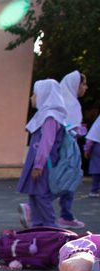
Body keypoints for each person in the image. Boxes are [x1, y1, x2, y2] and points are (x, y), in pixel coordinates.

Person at [17, 79, 66, 229]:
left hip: (44, 164)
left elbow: (47, 142)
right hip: (38, 163)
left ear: (45, 95)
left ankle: (51, 228)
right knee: (34, 194)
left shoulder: (50, 117)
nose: (31, 97)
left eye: (34, 94)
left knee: (42, 195)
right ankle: (37, 227)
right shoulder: (43, 115)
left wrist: (38, 165)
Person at [56, 70, 88, 228]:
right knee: (69, 180)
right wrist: (80, 131)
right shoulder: (72, 104)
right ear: (75, 85)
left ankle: (65, 214)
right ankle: (65, 215)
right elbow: (69, 129)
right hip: (69, 150)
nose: (86, 87)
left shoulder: (61, 101)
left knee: (59, 179)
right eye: (83, 84)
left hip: (61, 148)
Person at [86, 114, 100, 198]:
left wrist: (87, 149)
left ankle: (94, 190)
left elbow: (92, 135)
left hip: (98, 145)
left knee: (96, 167)